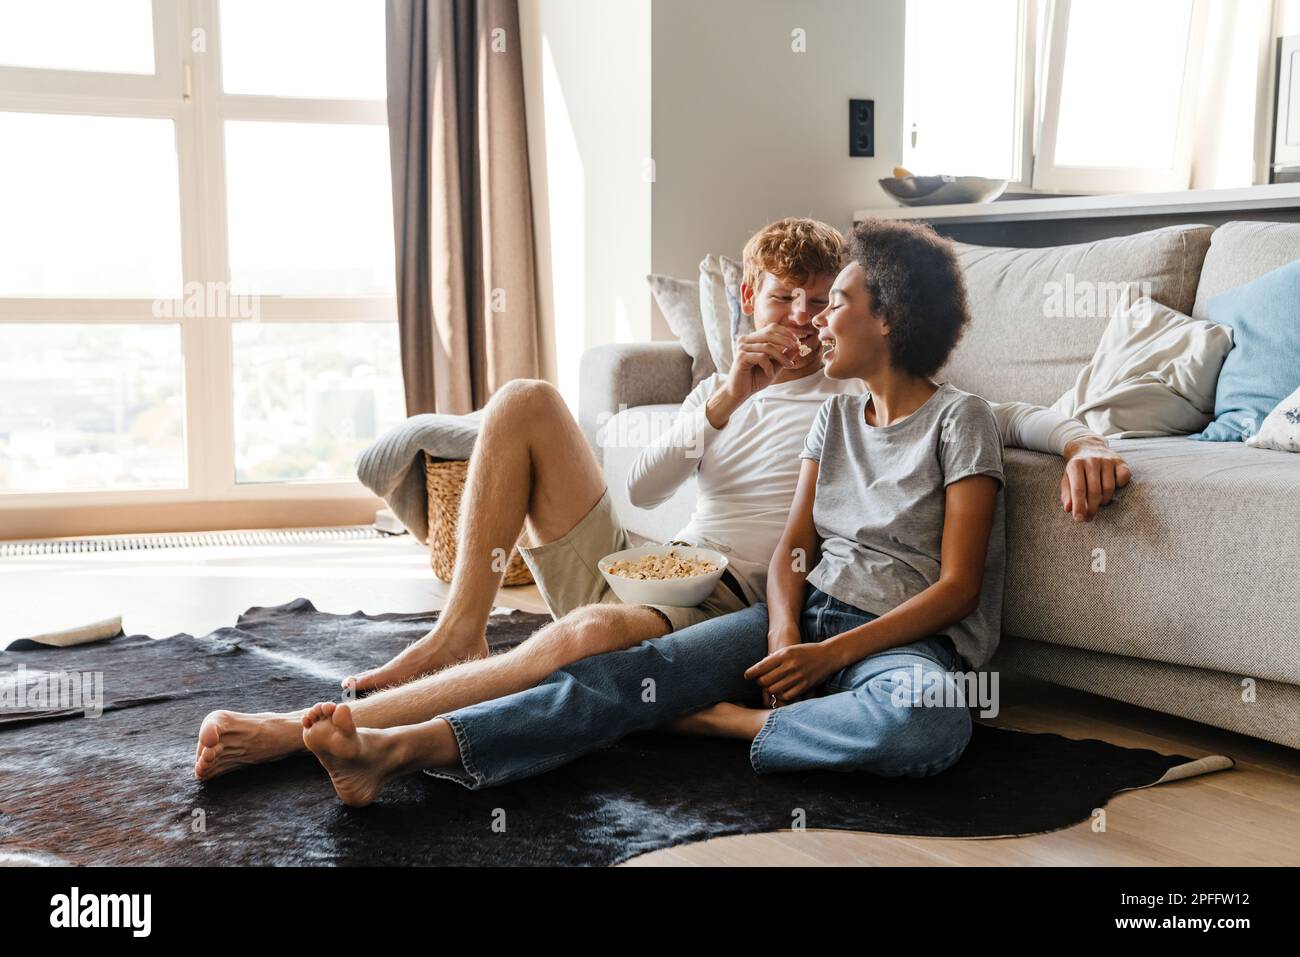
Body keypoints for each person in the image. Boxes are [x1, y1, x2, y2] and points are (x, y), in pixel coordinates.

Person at [194, 217, 1129, 782]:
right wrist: (723, 400)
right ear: (749, 305)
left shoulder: (870, 398)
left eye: (824, 300)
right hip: (653, 568)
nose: (807, 319)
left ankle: (348, 735)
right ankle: (448, 652)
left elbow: (1005, 418)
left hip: (726, 600)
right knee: (525, 406)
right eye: (789, 302)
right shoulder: (740, 393)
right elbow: (649, 490)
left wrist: (1084, 435)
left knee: (597, 651)